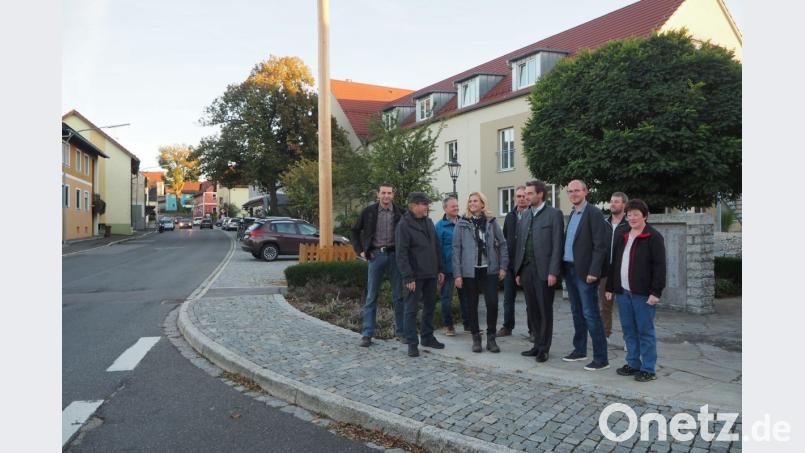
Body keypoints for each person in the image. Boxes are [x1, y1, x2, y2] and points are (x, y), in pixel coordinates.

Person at [605, 199, 666, 382]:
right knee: (628, 331)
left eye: (636, 214)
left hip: (643, 295)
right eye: (629, 214)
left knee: (645, 331)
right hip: (623, 292)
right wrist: (610, 287)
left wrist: (656, 292)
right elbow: (615, 263)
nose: (631, 218)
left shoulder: (653, 237)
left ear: (644, 216)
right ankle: (633, 364)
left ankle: (648, 368)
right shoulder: (623, 235)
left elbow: (660, 267)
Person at [561, 180, 610, 371]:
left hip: (585, 273)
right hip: (570, 269)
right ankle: (580, 349)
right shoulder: (573, 213)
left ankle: (601, 358)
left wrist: (594, 271)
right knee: (576, 311)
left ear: (586, 192)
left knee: (591, 314)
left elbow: (600, 246)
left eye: (577, 190)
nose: (573, 194)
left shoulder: (594, 213)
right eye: (570, 191)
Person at [513, 180, 564, 362]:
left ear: (540, 194)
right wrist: (518, 271)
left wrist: (553, 272)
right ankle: (536, 345)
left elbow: (558, 245)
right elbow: (521, 245)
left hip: (544, 271)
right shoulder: (525, 215)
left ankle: (544, 348)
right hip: (526, 270)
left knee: (544, 310)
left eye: (529, 194)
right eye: (525, 194)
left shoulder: (554, 214)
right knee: (532, 309)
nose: (526, 197)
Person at [452, 192, 508, 353]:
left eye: (476, 201)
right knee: (472, 305)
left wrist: (503, 266)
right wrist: (457, 274)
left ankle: (491, 338)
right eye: (470, 201)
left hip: (489, 270)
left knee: (492, 304)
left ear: (483, 204)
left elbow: (503, 244)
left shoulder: (491, 222)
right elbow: (456, 250)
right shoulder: (461, 224)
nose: (472, 203)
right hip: (469, 272)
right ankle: (476, 338)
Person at [351, 183, 406, 347]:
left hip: (395, 256)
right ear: (378, 194)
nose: (386, 196)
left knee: (398, 296)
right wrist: (360, 250)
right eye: (383, 193)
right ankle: (367, 334)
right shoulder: (369, 212)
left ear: (393, 195)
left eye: (389, 193)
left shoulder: (401, 213)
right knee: (371, 297)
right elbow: (354, 231)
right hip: (376, 256)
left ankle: (401, 332)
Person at [396, 192, 445, 357]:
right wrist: (408, 277)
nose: (427, 207)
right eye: (424, 204)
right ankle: (412, 343)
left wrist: (440, 269)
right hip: (414, 276)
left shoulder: (429, 222)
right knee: (410, 310)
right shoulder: (404, 225)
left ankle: (427, 337)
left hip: (431, 273)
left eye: (427, 204)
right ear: (414, 205)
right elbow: (401, 254)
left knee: (430, 307)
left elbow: (436, 247)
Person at [497, 185, 529, 338]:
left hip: (526, 265)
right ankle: (507, 327)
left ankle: (533, 330)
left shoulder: (532, 215)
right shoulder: (510, 216)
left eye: (524, 196)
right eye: (519, 196)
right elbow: (504, 239)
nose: (521, 199)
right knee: (508, 299)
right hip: (510, 265)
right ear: (515, 198)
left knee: (531, 301)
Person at [434, 196, 469, 336]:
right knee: (446, 299)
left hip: (463, 268)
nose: (456, 208)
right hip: (447, 270)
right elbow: (436, 249)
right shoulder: (439, 226)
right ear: (445, 208)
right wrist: (439, 269)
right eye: (453, 206)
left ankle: (468, 324)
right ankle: (449, 326)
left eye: (457, 205)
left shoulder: (464, 222)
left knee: (466, 298)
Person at [599, 192, 629, 343]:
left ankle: (628, 339)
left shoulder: (629, 225)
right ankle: (605, 335)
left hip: (623, 273)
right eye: (611, 201)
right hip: (605, 272)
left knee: (626, 309)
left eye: (617, 202)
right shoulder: (604, 223)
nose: (613, 204)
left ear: (624, 205)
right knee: (605, 307)